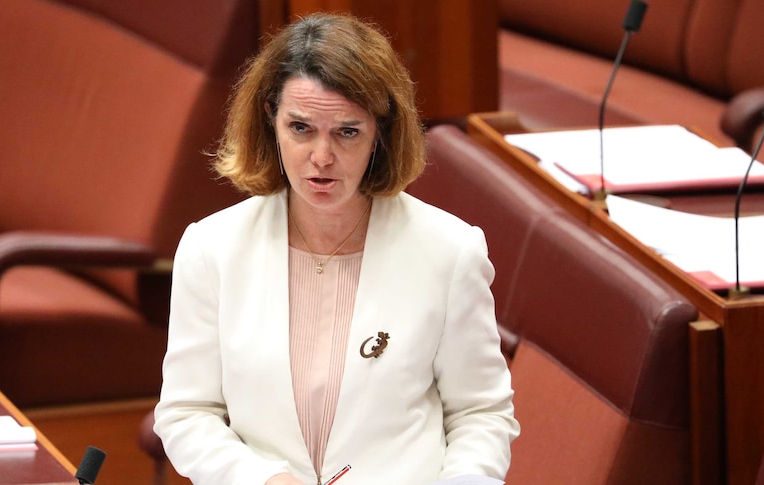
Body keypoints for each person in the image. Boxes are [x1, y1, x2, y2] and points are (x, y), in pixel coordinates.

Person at [154, 12, 519, 485]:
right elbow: (187, 411)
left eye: (347, 132)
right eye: (301, 128)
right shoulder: (212, 249)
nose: (321, 157)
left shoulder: (450, 252)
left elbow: (481, 413)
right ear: (271, 118)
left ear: (380, 132)